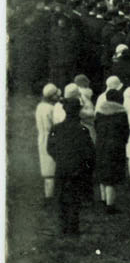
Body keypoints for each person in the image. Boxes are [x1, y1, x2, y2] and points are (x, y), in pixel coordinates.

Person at [47, 97, 95, 236]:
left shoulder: (56, 128)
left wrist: (60, 158)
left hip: (62, 168)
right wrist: (86, 166)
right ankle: (73, 229)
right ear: (78, 111)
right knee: (75, 199)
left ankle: (63, 227)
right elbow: (89, 152)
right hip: (77, 169)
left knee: (62, 199)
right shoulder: (83, 130)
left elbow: (50, 147)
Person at [94, 86, 129, 214]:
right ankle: (110, 206)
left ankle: (103, 199)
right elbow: (126, 132)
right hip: (115, 146)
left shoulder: (99, 113)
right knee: (111, 177)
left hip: (101, 145)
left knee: (102, 172)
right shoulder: (121, 114)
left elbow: (96, 128)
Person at [35, 84, 64, 201]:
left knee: (47, 166)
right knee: (52, 167)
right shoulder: (52, 109)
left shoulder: (40, 107)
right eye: (56, 95)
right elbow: (57, 123)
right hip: (51, 137)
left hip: (42, 137)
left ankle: (49, 195)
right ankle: (51, 197)